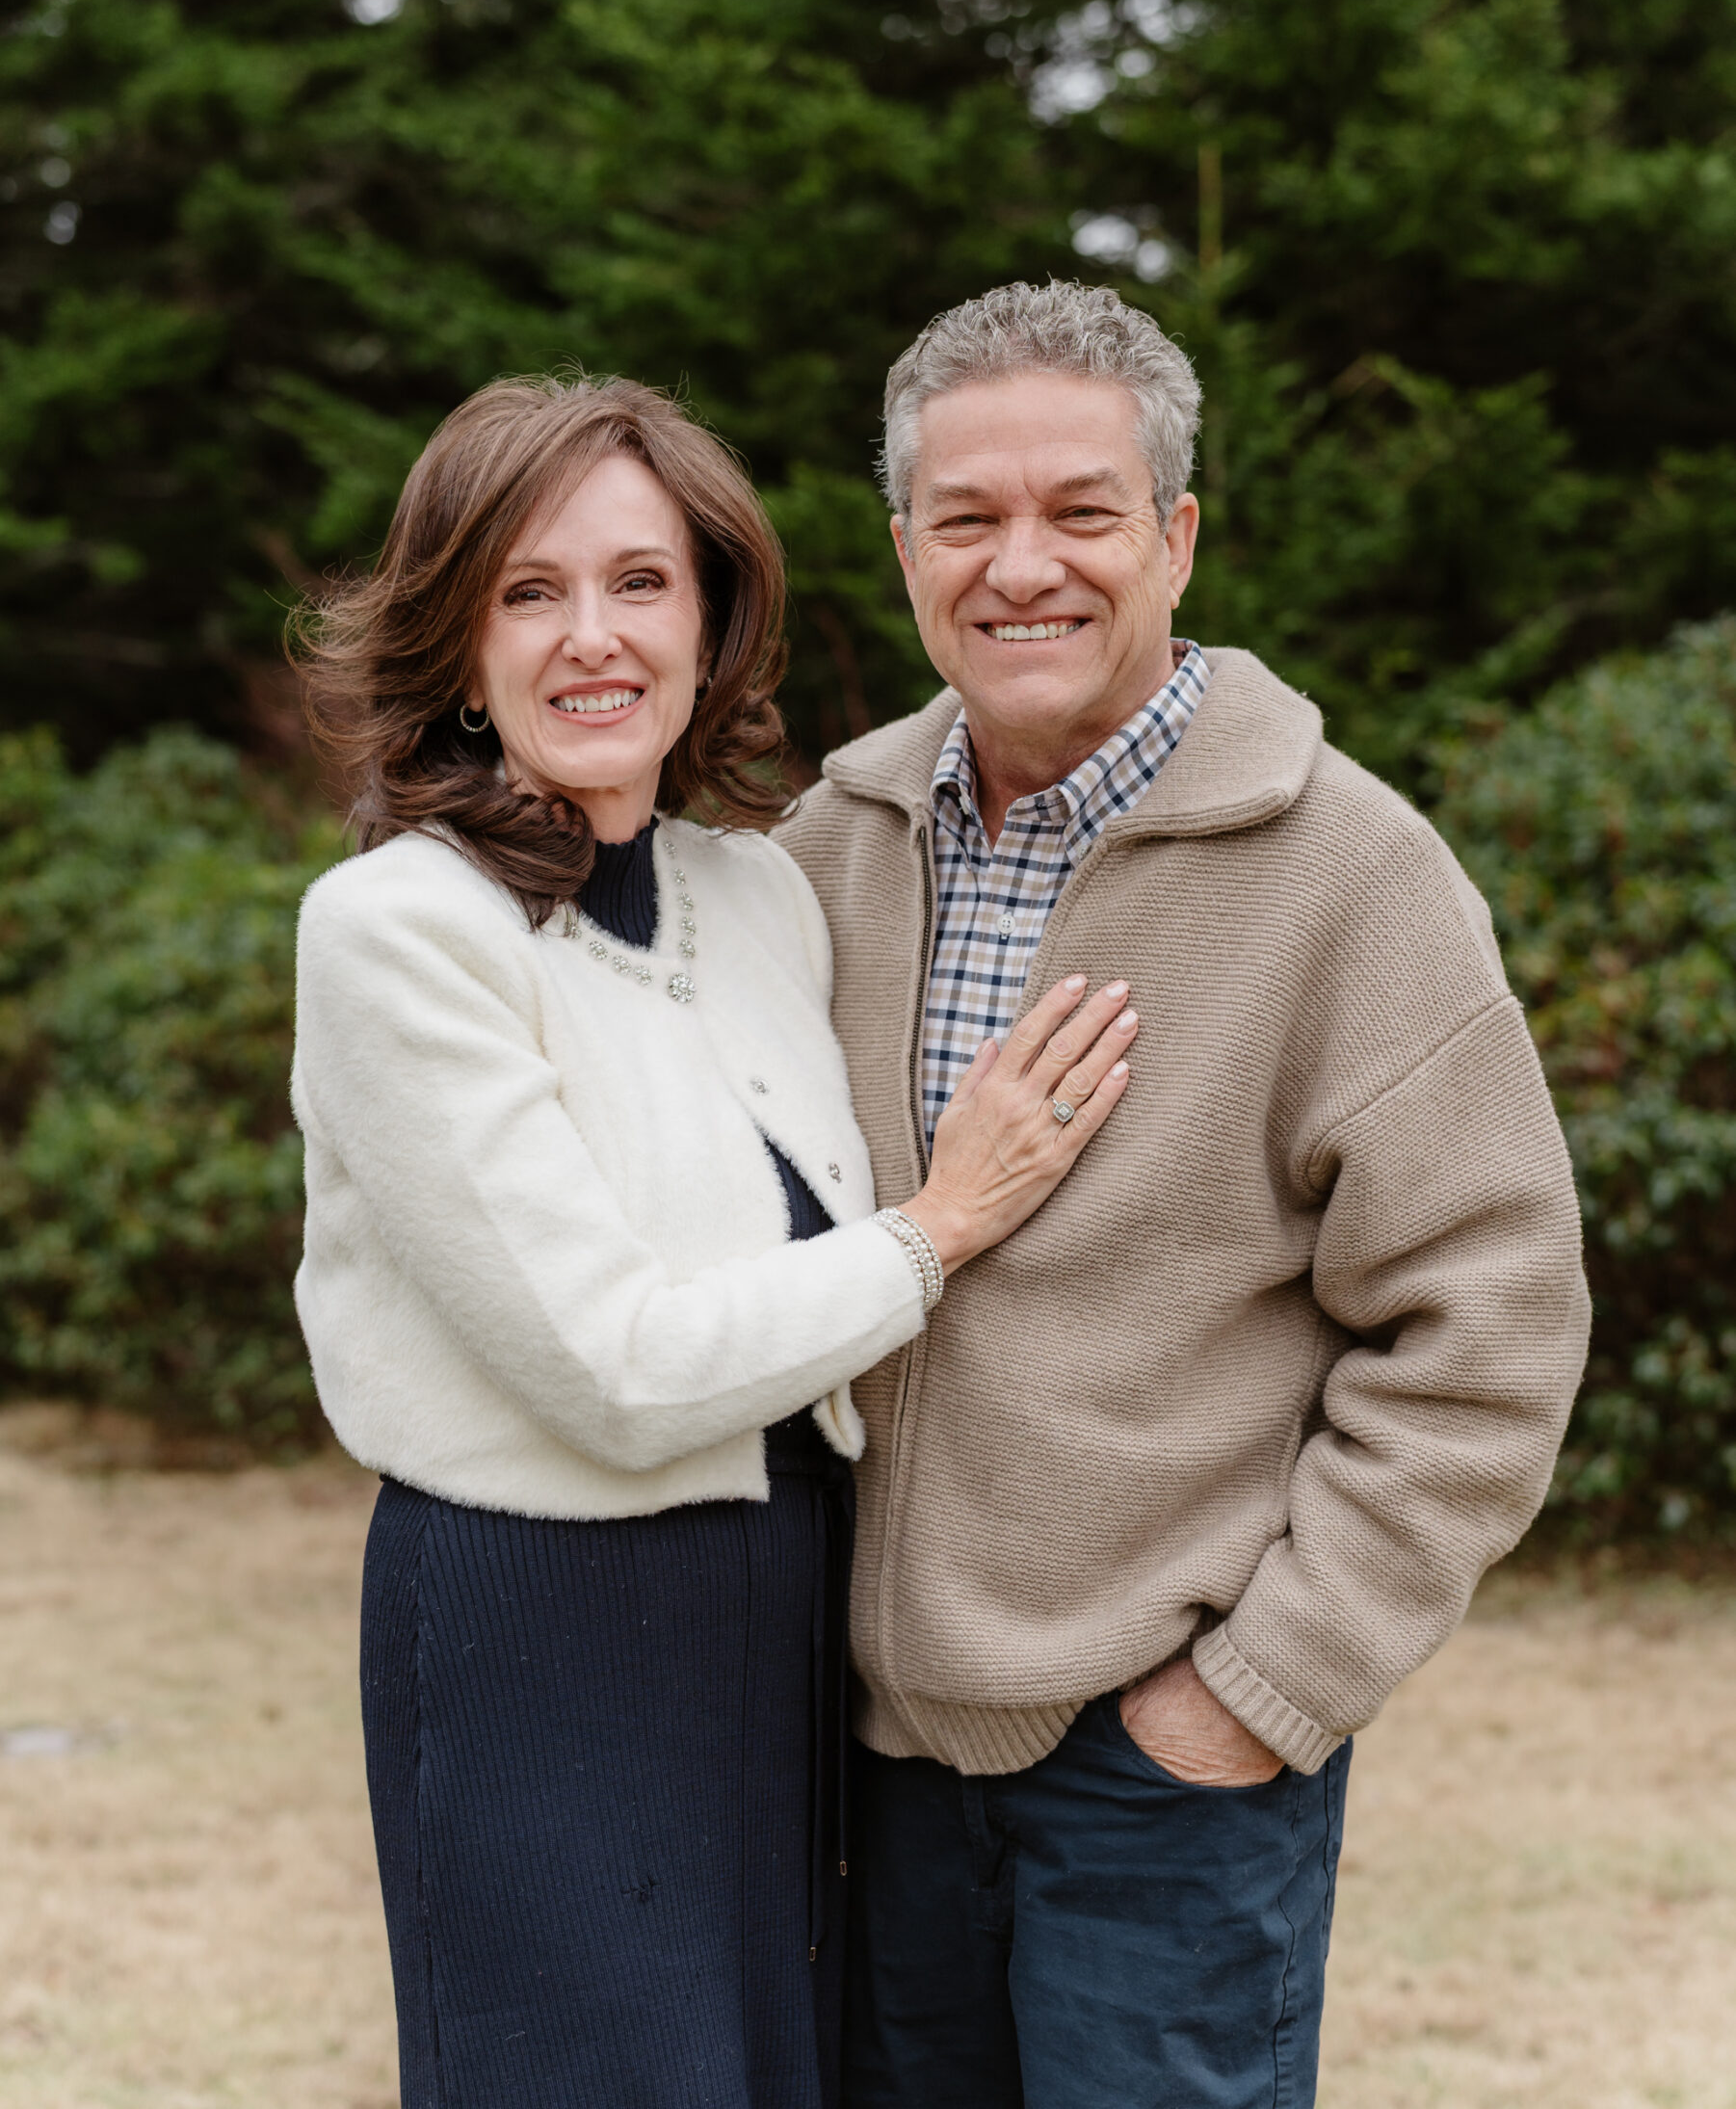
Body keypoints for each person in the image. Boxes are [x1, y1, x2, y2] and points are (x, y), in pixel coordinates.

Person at [775, 279, 1591, 2109]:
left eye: (1080, 511)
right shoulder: (817, 854)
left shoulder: (1351, 874)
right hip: (868, 1763)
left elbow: (1493, 1328)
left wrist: (1258, 1688)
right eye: (965, 519)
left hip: (1161, 1773)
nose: (1021, 568)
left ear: (1177, 536)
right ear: (902, 546)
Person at [289, 373, 1137, 2109]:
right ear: (456, 644)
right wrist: (940, 1226)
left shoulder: (758, 895)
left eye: (638, 583)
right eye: (529, 592)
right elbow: (611, 1366)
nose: (591, 638)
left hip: (781, 1614)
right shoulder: (396, 931)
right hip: (545, 1621)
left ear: (708, 621)